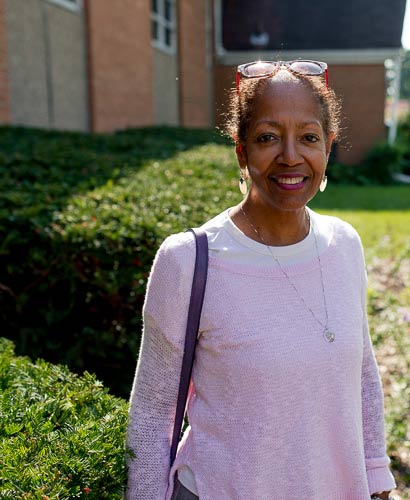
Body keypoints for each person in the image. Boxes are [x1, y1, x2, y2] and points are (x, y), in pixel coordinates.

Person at [125, 60, 396, 500]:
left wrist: (378, 480)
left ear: (328, 147)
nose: (291, 156)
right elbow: (153, 414)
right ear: (241, 150)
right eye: (268, 137)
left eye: (308, 137)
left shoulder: (344, 245)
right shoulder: (189, 260)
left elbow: (362, 374)